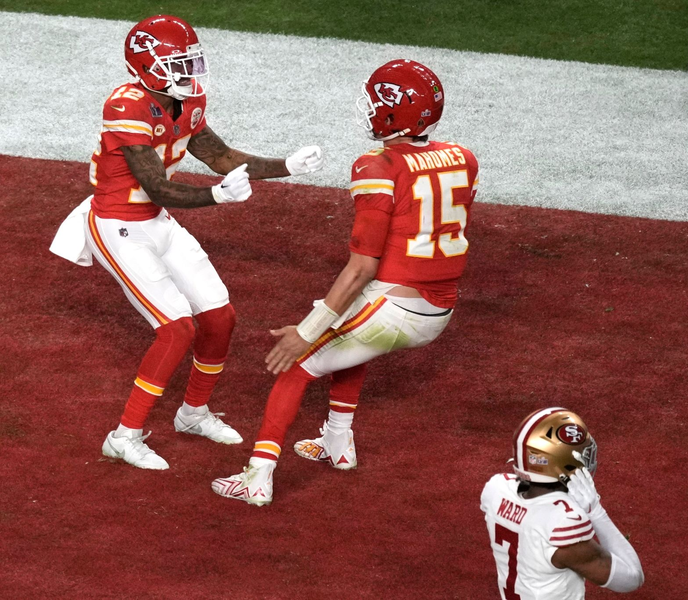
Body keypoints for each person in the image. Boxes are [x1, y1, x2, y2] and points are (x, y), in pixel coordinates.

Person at [50, 15, 323, 471]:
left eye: (192, 60)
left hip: (155, 221)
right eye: (180, 62)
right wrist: (217, 196)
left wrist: (287, 166)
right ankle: (124, 435)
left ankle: (193, 414)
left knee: (220, 318)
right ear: (148, 65)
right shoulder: (127, 104)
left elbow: (219, 155)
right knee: (177, 329)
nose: (191, 72)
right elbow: (157, 186)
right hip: (116, 223)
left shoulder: (188, 100)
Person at [211, 59, 479, 505]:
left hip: (399, 307)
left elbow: (361, 268)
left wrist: (307, 330)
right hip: (439, 305)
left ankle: (257, 476)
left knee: (298, 363)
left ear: (395, 111)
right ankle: (337, 444)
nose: (370, 108)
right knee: (355, 337)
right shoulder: (463, 157)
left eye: (377, 100)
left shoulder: (378, 166)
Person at [480, 407, 644, 599]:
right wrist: (596, 512)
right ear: (561, 461)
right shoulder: (563, 521)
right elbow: (632, 578)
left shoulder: (496, 489)